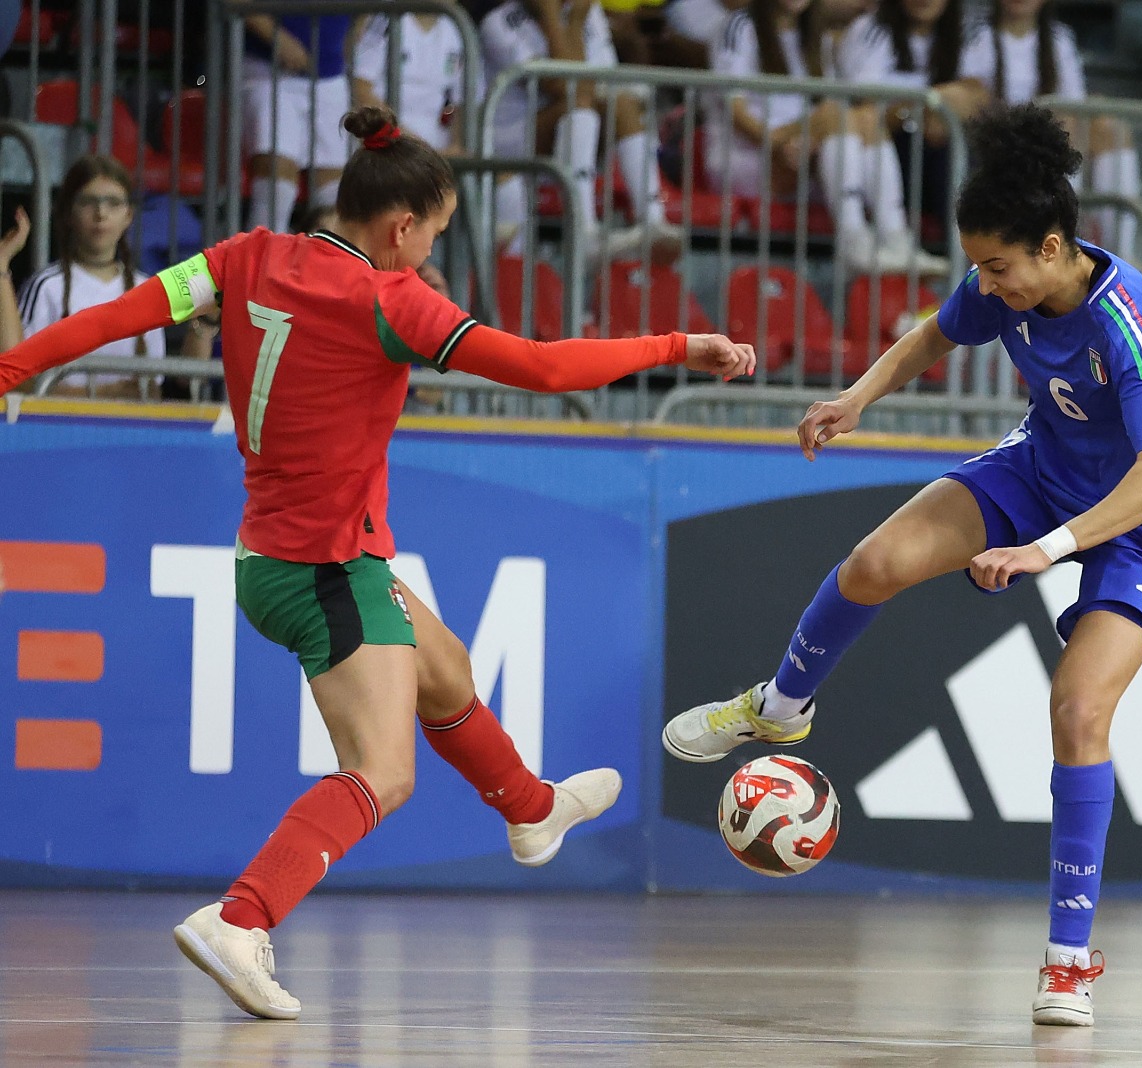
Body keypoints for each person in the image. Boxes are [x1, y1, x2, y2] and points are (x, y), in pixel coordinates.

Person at [0, 104, 756, 1021]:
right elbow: (544, 367)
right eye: (433, 234)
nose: (431, 254)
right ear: (400, 226)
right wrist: (680, 345)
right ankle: (241, 920)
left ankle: (528, 807)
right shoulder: (392, 301)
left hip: (273, 554)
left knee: (445, 671)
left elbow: (119, 315)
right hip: (326, 569)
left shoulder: (243, 257)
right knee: (383, 772)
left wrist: (9, 371)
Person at [662, 103, 1142, 1027]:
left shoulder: (1132, 326)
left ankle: (1068, 962)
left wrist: (1048, 550)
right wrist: (857, 395)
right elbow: (936, 333)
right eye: (979, 268)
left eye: (998, 268)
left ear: (1051, 248)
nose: (985, 286)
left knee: (1078, 708)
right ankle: (780, 708)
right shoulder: (1005, 286)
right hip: (1043, 470)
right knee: (876, 561)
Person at [710, 0, 947, 276]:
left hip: (803, 151)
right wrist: (780, 141)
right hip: (750, 157)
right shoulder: (739, 26)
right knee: (835, 113)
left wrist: (809, 141)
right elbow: (735, 112)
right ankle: (852, 237)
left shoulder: (815, 35)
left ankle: (895, 236)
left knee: (867, 116)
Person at [481, 0, 683, 263]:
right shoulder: (497, 21)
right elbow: (561, 85)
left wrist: (573, 19)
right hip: (509, 142)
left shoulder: (587, 12)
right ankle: (584, 228)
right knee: (579, 103)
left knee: (621, 104)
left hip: (566, 129)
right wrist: (563, 21)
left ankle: (653, 219)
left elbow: (604, 84)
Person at [0, 157, 210, 397]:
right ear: (68, 212)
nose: (101, 213)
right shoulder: (46, 286)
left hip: (127, 431)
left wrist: (205, 322)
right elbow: (17, 378)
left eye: (113, 203)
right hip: (60, 428)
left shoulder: (148, 288)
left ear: (129, 215)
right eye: (88, 202)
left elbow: (153, 389)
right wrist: (105, 393)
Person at [989, 0, 1141, 258]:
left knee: (1109, 128)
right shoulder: (979, 37)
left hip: (1051, 142)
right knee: (1064, 125)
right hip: (1004, 146)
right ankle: (1062, 234)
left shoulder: (1059, 40)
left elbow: (1077, 108)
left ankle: (1121, 254)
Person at [836, 0, 993, 233]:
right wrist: (925, 107)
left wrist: (939, 108)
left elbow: (978, 96)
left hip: (945, 152)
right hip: (887, 153)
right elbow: (864, 114)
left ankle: (971, 258)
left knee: (958, 158)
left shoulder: (969, 31)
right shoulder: (870, 30)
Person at [242, 5, 354, 233]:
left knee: (335, 198)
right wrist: (277, 37)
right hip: (268, 71)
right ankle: (261, 266)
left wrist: (345, 46)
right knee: (276, 189)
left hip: (331, 78)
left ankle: (324, 267)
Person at [351, 9, 472, 155]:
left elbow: (466, 101)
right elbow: (360, 89)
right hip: (383, 141)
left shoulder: (457, 26)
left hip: (438, 145)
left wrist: (457, 146)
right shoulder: (384, 18)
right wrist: (407, 142)